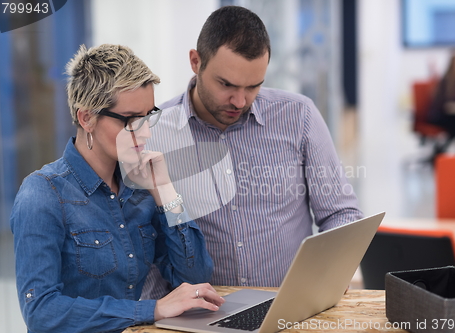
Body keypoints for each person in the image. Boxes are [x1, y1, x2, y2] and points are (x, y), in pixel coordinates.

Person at [142, 6, 363, 300]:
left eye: (253, 86)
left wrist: (332, 269)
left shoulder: (299, 116)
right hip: (203, 309)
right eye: (226, 85)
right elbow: (145, 239)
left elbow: (341, 213)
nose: (240, 100)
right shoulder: (153, 133)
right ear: (196, 62)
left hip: (290, 303)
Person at [10, 44, 224, 333]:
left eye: (148, 116)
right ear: (86, 118)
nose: (146, 132)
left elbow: (194, 276)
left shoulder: (140, 190)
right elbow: (41, 311)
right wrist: (153, 309)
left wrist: (164, 190)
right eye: (131, 120)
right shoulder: (42, 194)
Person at [428, 50, 455, 154]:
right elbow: (448, 102)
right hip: (439, 115)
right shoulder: (447, 80)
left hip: (451, 115)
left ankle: (444, 151)